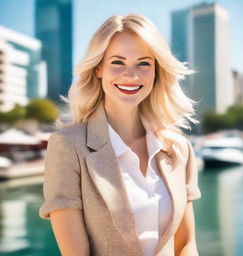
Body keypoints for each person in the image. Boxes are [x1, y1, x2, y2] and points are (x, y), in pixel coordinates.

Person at [39, 14, 201, 256]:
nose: (131, 75)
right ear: (98, 69)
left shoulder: (179, 148)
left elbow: (186, 246)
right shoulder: (67, 146)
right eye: (118, 62)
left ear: (156, 71)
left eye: (144, 63)